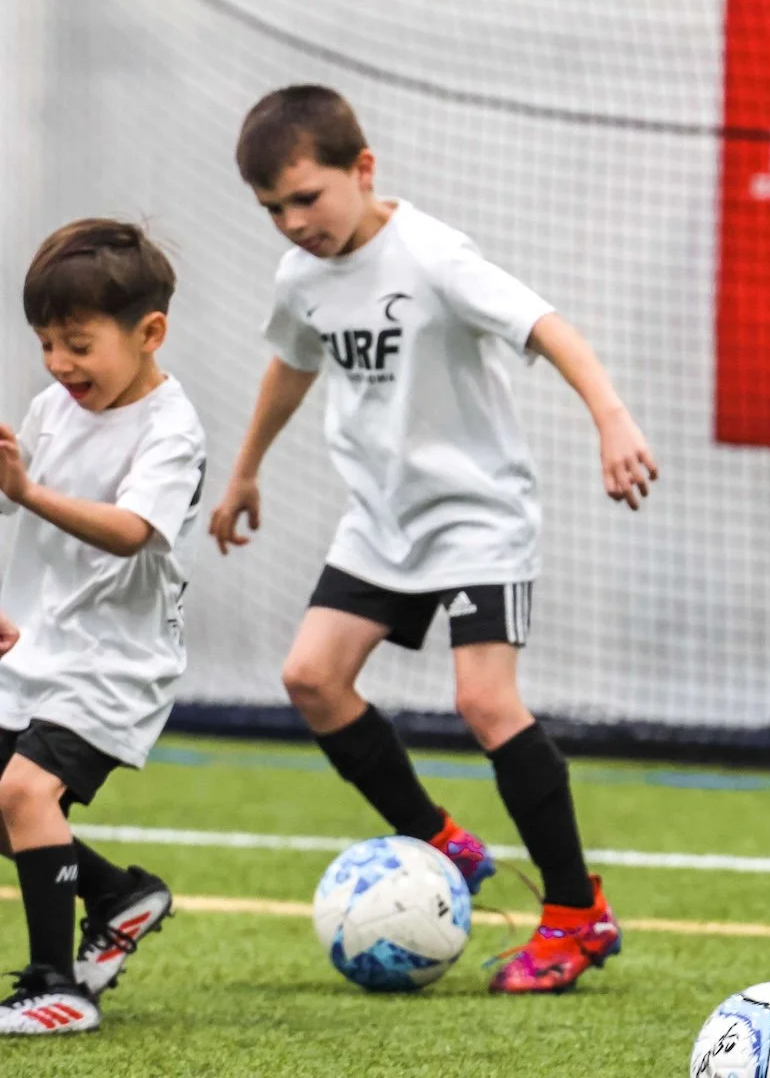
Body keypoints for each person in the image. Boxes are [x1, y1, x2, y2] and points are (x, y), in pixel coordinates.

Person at [210, 85, 657, 994]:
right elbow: (292, 363)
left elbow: (548, 327)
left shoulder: (433, 256)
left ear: (362, 170)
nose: (294, 223)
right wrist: (247, 467)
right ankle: (440, 839)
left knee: (485, 703)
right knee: (312, 678)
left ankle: (577, 914)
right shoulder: (300, 279)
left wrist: (611, 418)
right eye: (273, 210)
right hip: (380, 520)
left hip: (478, 514)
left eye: (308, 197)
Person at [0, 220, 204, 1033]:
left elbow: (130, 529)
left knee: (23, 789)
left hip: (117, 661)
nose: (58, 364)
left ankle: (56, 986)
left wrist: (28, 493)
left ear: (149, 332)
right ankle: (119, 894)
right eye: (46, 342)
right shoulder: (52, 408)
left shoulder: (171, 429)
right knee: (3, 804)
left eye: (77, 344)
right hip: (40, 644)